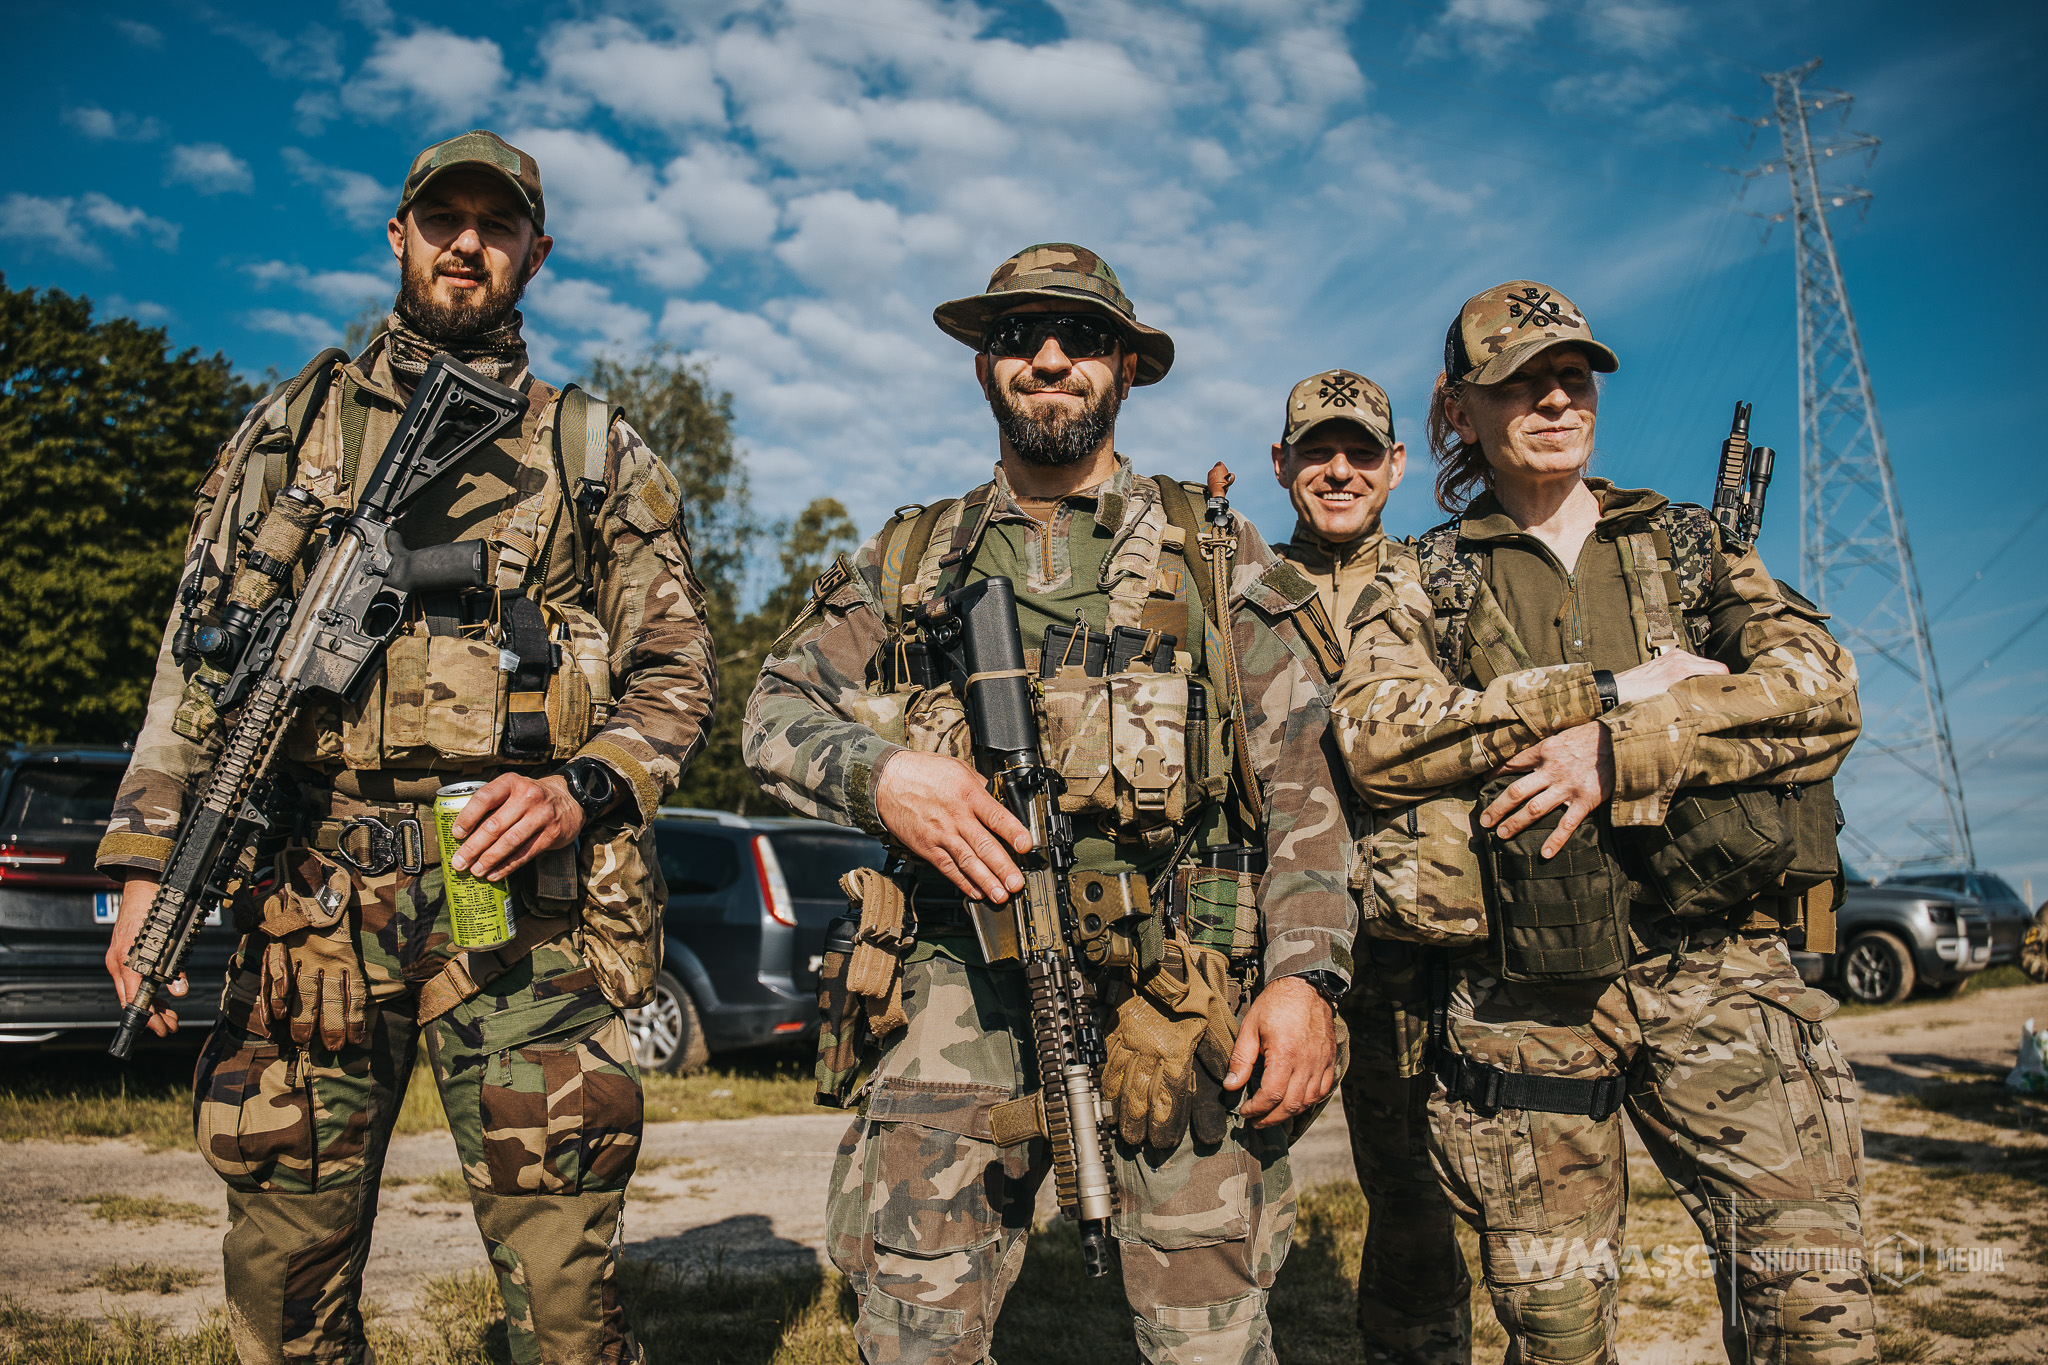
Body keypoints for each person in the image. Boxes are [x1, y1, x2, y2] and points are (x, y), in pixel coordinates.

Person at [100, 129, 716, 1365]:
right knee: (284, 1283)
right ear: (400, 235)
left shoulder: (592, 450)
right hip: (311, 900)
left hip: (524, 900)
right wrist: (144, 867)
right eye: (444, 220)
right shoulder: (289, 434)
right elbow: (195, 665)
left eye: (497, 226)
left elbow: (676, 673)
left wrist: (581, 791)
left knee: (564, 1296)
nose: (467, 245)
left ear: (537, 251)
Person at [743, 243, 1354, 1365]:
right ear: (984, 366)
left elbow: (1302, 780)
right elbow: (773, 710)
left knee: (1208, 1341)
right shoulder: (912, 556)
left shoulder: (1211, 550)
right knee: (915, 1335)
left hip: (1175, 986)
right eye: (1017, 336)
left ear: (1127, 366)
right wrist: (886, 777)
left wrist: (1305, 978)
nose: (1050, 358)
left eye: (1082, 338)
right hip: (953, 981)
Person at [1332, 281, 1877, 1365]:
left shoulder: (1687, 546)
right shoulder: (1420, 575)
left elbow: (1823, 694)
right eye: (1518, 382)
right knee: (1558, 1336)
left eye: (1572, 376)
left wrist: (1625, 748)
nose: (1553, 399)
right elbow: (1377, 738)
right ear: (1458, 411)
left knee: (1816, 1314)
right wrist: (1608, 693)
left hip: (1719, 972)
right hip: (1525, 993)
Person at [1268, 372, 1471, 1365]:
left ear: (1396, 466)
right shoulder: (1242, 584)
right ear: (1282, 464)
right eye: (1316, 451)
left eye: (1359, 452)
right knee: (1234, 1159)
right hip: (1276, 927)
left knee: (1415, 1178)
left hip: (1410, 935)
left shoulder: (1448, 578)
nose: (1338, 470)